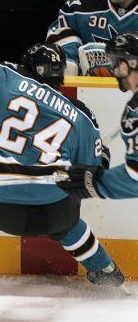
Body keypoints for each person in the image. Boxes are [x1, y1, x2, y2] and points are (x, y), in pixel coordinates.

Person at [0, 25, 124, 306]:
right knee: (68, 209)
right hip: (55, 214)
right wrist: (102, 156)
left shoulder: (4, 79)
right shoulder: (81, 115)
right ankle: (106, 271)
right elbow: (93, 175)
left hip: (1, 208)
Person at [56, 30, 138, 200]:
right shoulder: (133, 109)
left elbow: (135, 177)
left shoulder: (132, 114)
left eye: (115, 64)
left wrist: (95, 182)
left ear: (127, 65)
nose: (114, 71)